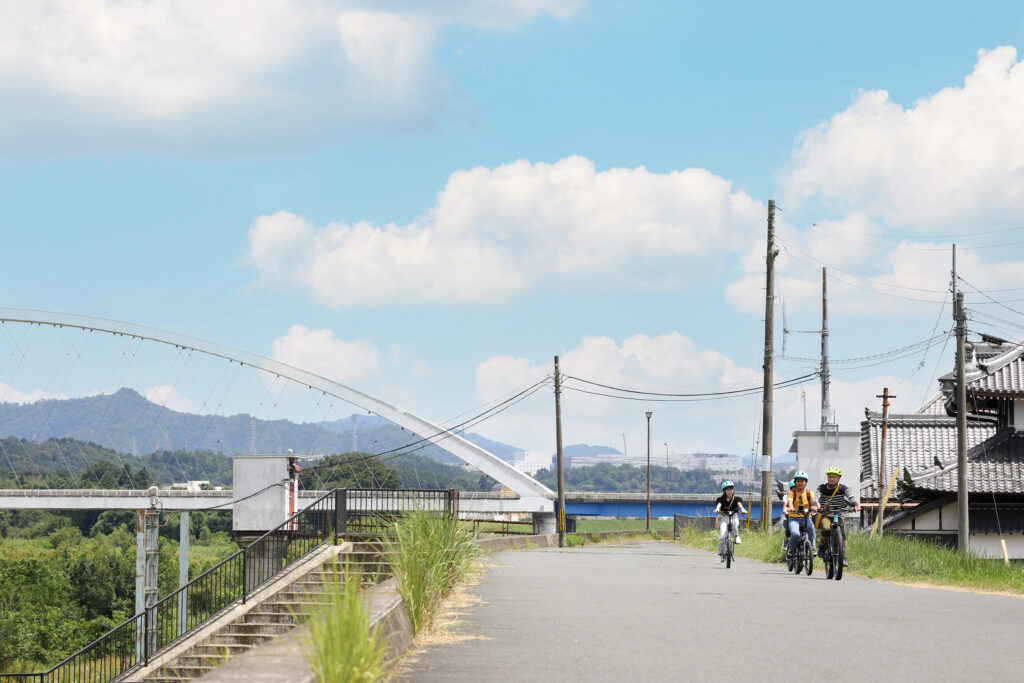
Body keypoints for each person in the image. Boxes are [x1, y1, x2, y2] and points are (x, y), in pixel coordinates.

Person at [815, 465, 861, 567]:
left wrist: (855, 505)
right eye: (830, 477)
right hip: (826, 514)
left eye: (834, 477)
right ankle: (822, 547)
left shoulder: (843, 488)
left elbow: (851, 497)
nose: (831, 479)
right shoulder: (822, 488)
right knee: (826, 528)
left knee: (843, 534)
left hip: (839, 515)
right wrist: (814, 505)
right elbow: (816, 497)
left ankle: (843, 556)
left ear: (838, 478)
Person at [783, 471, 817, 558]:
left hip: (806, 518)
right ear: (795, 482)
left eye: (802, 481)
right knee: (795, 534)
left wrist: (816, 508)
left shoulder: (810, 493)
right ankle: (790, 550)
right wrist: (791, 508)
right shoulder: (792, 493)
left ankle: (812, 548)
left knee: (811, 529)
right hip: (794, 518)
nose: (800, 483)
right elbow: (789, 501)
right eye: (798, 481)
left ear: (806, 482)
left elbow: (815, 503)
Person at [713, 480, 747, 563]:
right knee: (722, 537)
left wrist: (742, 509)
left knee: (735, 524)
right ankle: (719, 555)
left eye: (731, 489)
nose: (730, 491)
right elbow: (719, 505)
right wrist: (717, 509)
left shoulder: (737, 499)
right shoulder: (721, 499)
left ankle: (737, 536)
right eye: (727, 490)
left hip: (733, 517)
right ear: (724, 491)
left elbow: (740, 505)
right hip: (724, 519)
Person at [781, 479, 795, 551]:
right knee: (789, 531)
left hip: (799, 516)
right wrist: (785, 510)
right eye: (794, 487)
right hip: (788, 517)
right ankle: (786, 542)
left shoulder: (802, 494)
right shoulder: (786, 496)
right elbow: (786, 503)